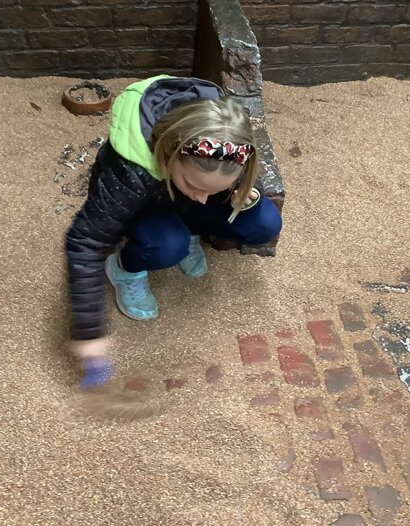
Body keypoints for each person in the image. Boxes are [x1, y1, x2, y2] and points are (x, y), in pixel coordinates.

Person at [65, 75, 282, 387]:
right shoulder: (129, 172)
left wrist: (248, 192)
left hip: (176, 196)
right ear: (169, 151)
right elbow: (84, 242)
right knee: (167, 245)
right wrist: (89, 333)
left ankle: (188, 227)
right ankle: (124, 268)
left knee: (264, 222)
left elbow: (232, 178)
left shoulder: (226, 141)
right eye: (194, 185)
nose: (203, 198)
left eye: (213, 189)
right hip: (144, 205)